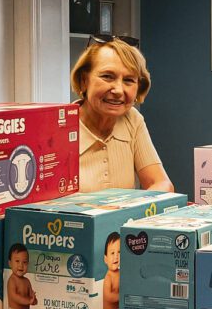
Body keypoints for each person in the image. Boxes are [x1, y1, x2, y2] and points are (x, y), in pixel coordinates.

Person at [70, 35, 174, 193]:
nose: (118, 90)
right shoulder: (57, 128)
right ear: (84, 81)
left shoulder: (132, 119)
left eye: (129, 80)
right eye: (107, 77)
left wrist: (133, 206)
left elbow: (162, 184)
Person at [7, 243, 43, 309]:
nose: (21, 265)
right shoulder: (12, 280)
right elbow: (15, 297)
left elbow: (31, 296)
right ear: (10, 263)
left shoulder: (27, 281)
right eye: (17, 261)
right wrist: (28, 301)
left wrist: (34, 300)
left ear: (28, 264)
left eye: (24, 262)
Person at [102, 232, 121, 309]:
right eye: (112, 253)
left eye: (119, 252)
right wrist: (121, 296)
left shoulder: (120, 273)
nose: (116, 256)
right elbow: (108, 296)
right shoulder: (108, 277)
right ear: (106, 259)